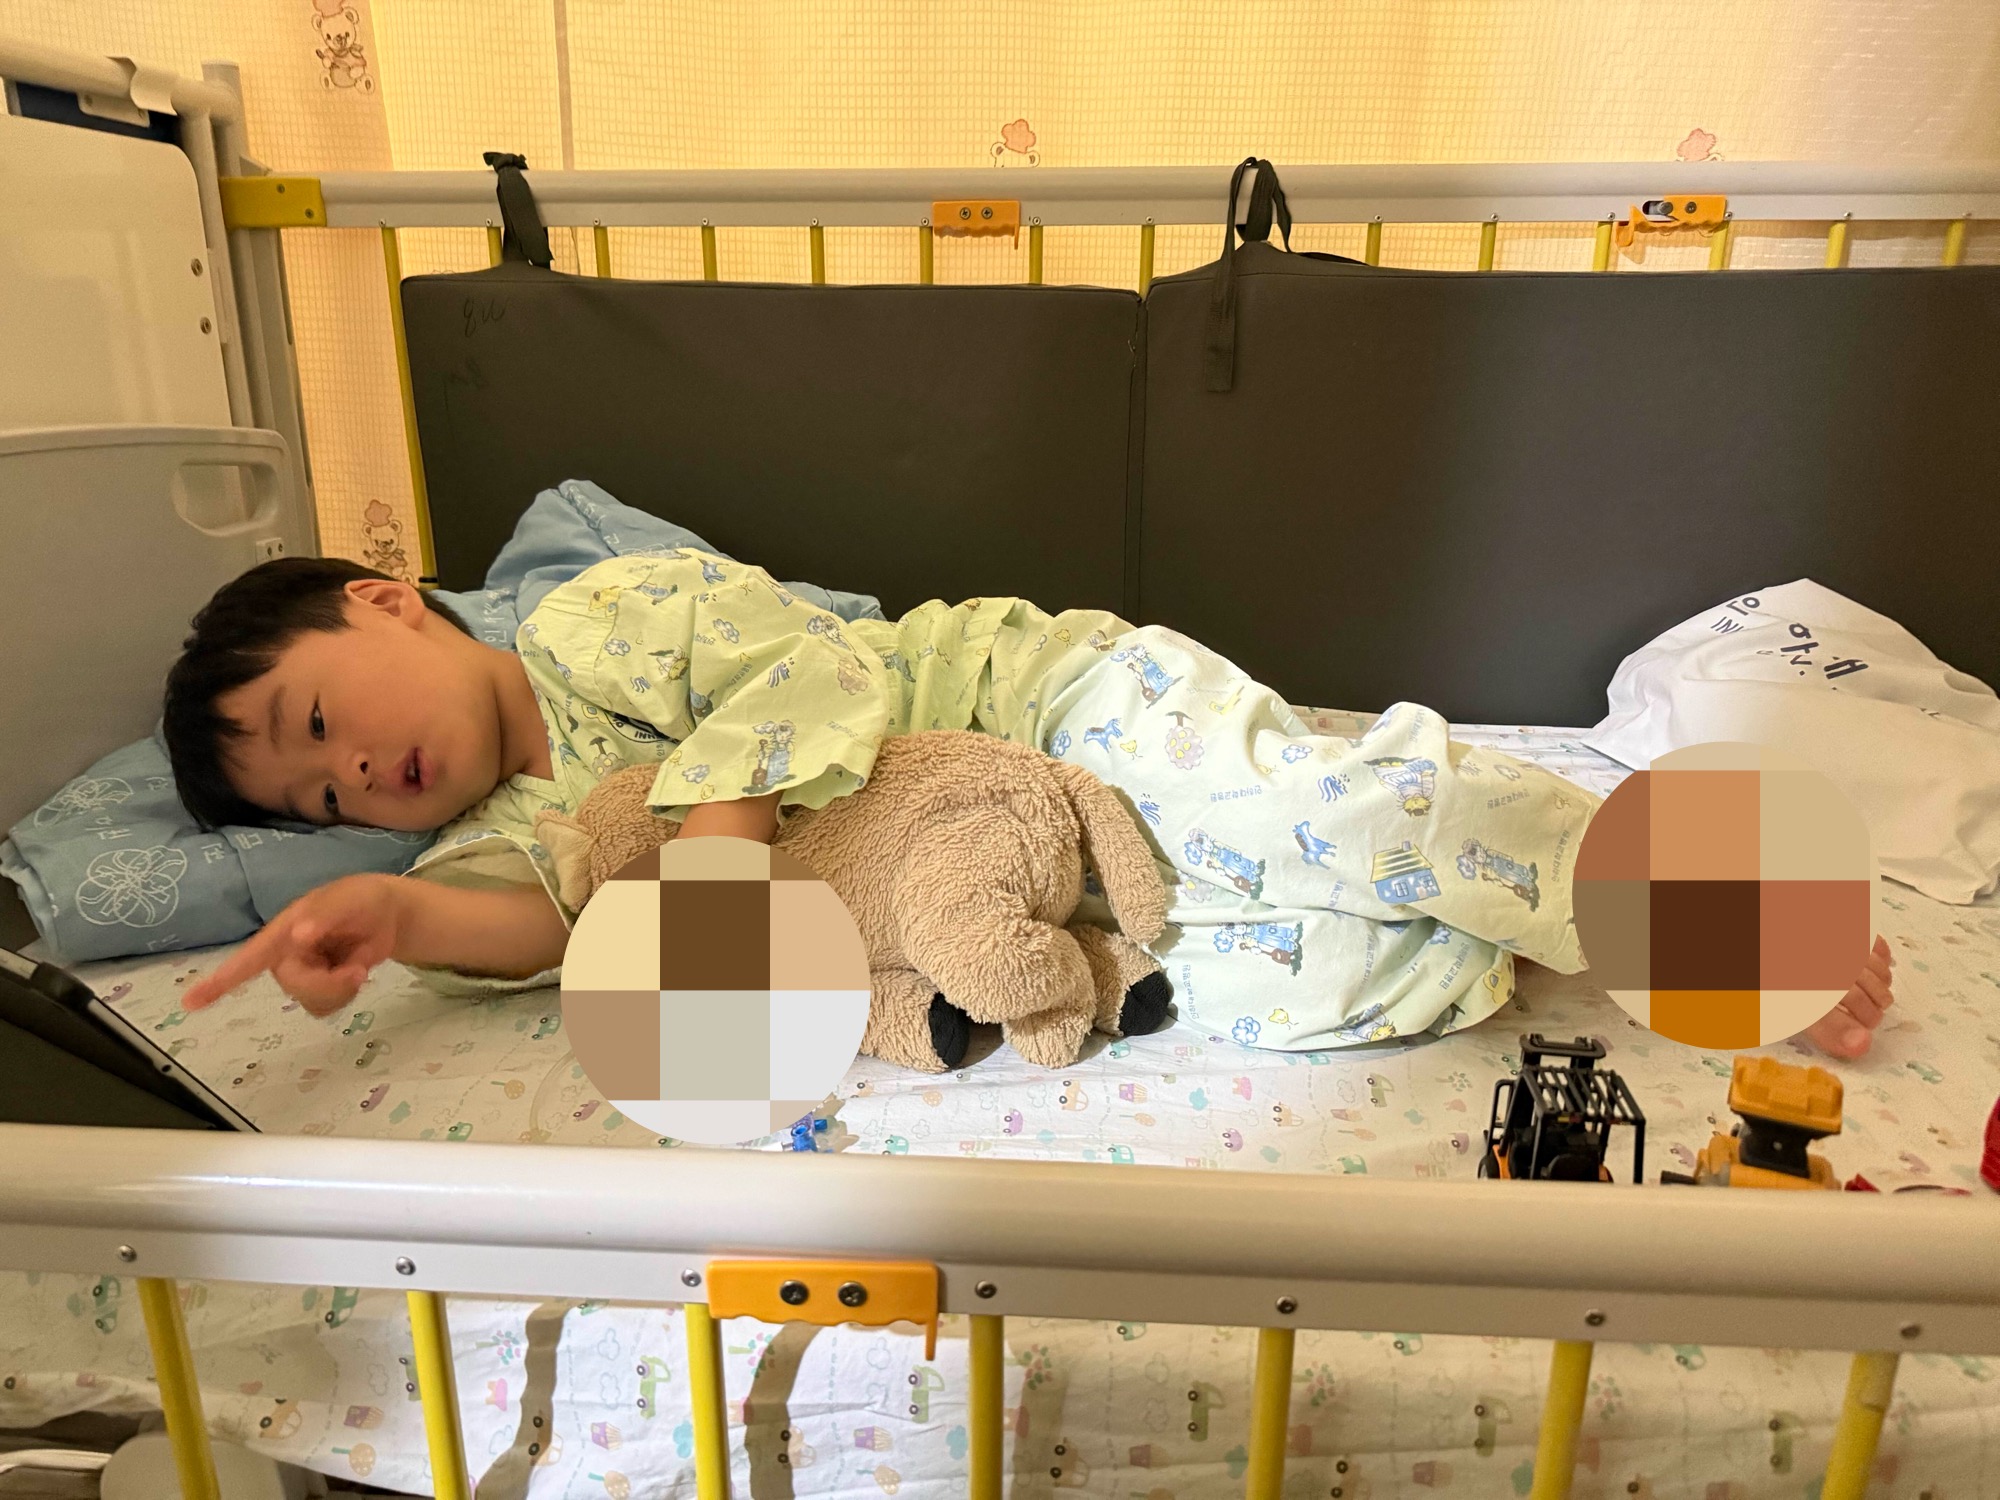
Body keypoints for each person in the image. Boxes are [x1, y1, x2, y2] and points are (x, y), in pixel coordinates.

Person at [169, 552, 1894, 1061]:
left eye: (317, 720)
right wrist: (397, 914)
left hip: (1041, 707)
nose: (350, 775)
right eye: (316, 799)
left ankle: (1714, 890)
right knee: (1270, 987)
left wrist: (713, 855)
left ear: (386, 601)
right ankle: (1463, 930)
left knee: (1291, 813)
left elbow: (805, 674)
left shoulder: (592, 620)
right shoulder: (509, 833)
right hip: (1028, 876)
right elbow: (543, 927)